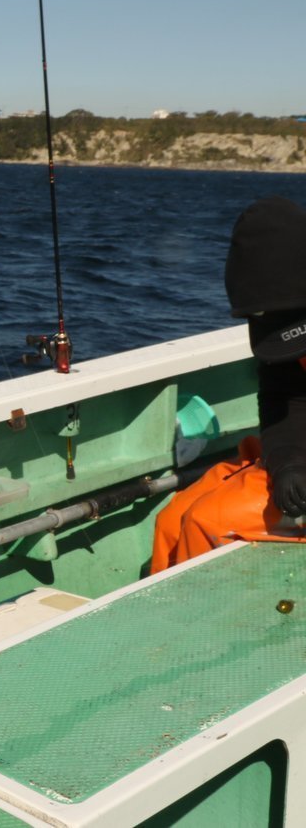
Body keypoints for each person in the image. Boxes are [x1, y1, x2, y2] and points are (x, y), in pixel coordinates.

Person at [151, 195, 306, 572]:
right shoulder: (277, 332)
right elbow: (282, 399)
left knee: (208, 523)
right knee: (172, 521)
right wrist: (288, 464)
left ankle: (198, 628)